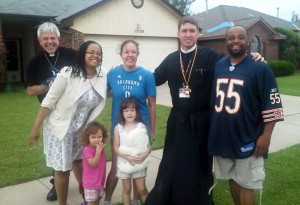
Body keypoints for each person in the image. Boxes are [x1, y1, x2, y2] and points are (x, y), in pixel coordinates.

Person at [145, 16, 264, 205]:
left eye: (192, 31)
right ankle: (170, 194)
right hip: (178, 120)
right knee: (172, 160)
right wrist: (132, 74)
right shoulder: (171, 59)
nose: (188, 34)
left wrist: (253, 57)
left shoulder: (210, 57)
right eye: (184, 31)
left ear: (198, 34)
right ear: (178, 34)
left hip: (202, 121)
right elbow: (152, 80)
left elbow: (235, 62)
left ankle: (198, 198)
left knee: (198, 163)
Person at [208, 26, 284, 205]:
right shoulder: (219, 65)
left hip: (248, 137)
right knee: (233, 179)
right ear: (225, 41)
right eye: (231, 38)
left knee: (247, 184)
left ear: (248, 41)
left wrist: (266, 136)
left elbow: (272, 104)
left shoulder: (260, 68)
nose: (236, 41)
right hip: (224, 137)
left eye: (241, 37)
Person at [28, 40, 107, 205]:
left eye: (98, 53)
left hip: (82, 130)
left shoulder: (102, 75)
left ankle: (86, 195)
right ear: (82, 54)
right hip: (60, 128)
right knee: (62, 169)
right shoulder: (68, 73)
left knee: (80, 161)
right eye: (91, 52)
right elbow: (49, 101)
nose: (95, 55)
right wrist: (35, 128)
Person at [25, 22, 77, 201]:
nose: (49, 42)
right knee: (59, 153)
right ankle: (56, 185)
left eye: (52, 38)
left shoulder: (72, 55)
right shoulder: (35, 61)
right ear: (40, 41)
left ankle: (87, 185)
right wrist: (49, 86)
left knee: (77, 152)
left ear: (59, 39)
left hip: (73, 111)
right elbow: (30, 90)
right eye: (45, 39)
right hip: (52, 114)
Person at [104, 40, 156, 205]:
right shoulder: (112, 74)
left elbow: (152, 105)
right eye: (126, 52)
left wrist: (152, 130)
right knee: (115, 167)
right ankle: (106, 200)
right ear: (121, 54)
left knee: (138, 166)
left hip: (141, 128)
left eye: (133, 52)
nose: (130, 55)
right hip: (119, 128)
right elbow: (100, 93)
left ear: (138, 54)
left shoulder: (147, 75)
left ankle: (135, 201)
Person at [113, 97, 151, 205]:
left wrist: (144, 155)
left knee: (142, 189)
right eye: (126, 110)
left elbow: (148, 146)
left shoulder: (141, 126)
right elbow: (116, 147)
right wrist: (127, 158)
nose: (129, 113)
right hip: (124, 162)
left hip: (139, 162)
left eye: (132, 110)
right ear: (122, 113)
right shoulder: (118, 128)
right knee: (127, 189)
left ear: (137, 112)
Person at [81, 122, 108, 205]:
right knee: (92, 203)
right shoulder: (87, 150)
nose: (97, 139)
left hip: (99, 181)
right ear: (87, 138)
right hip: (91, 183)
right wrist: (98, 152)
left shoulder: (99, 147)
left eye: (99, 137)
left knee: (97, 201)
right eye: (93, 137)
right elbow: (93, 164)